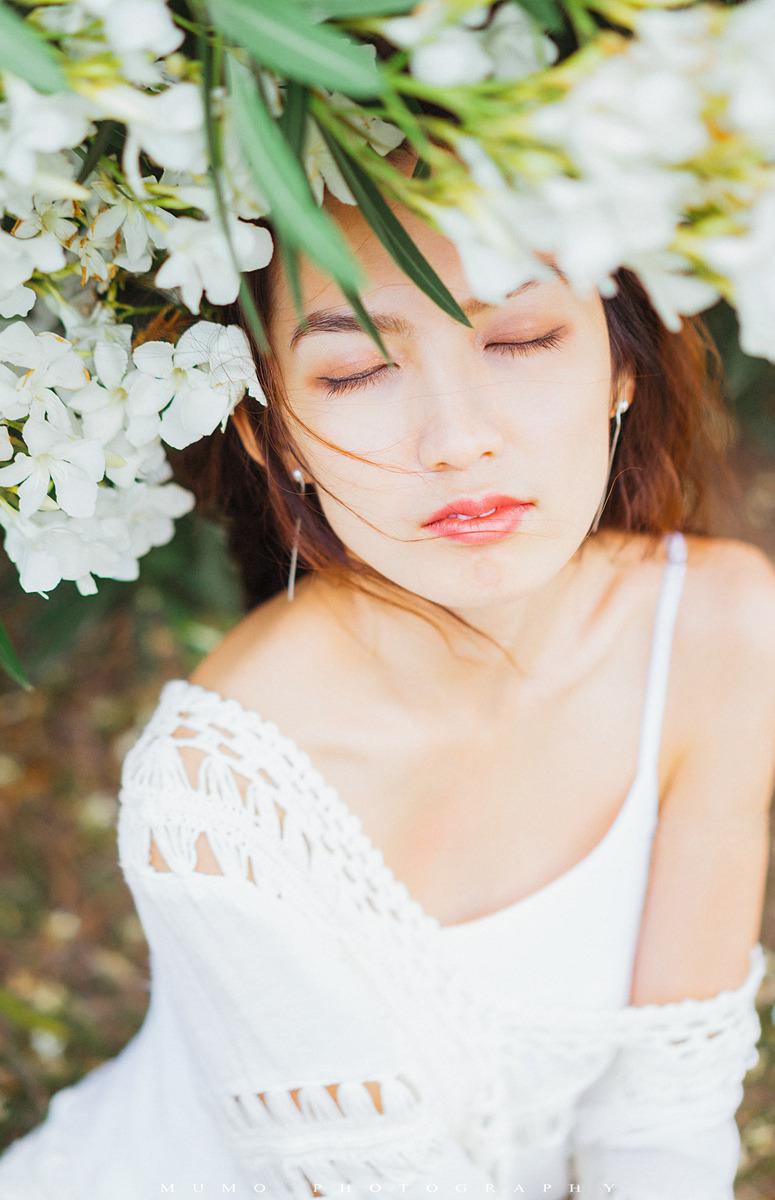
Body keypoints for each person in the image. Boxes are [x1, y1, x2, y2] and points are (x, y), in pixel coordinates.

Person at [1, 141, 773, 1200]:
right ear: (272, 433)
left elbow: (664, 1119)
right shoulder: (219, 804)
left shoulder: (717, 625)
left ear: (622, 365)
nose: (457, 439)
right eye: (357, 371)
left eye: (521, 338)